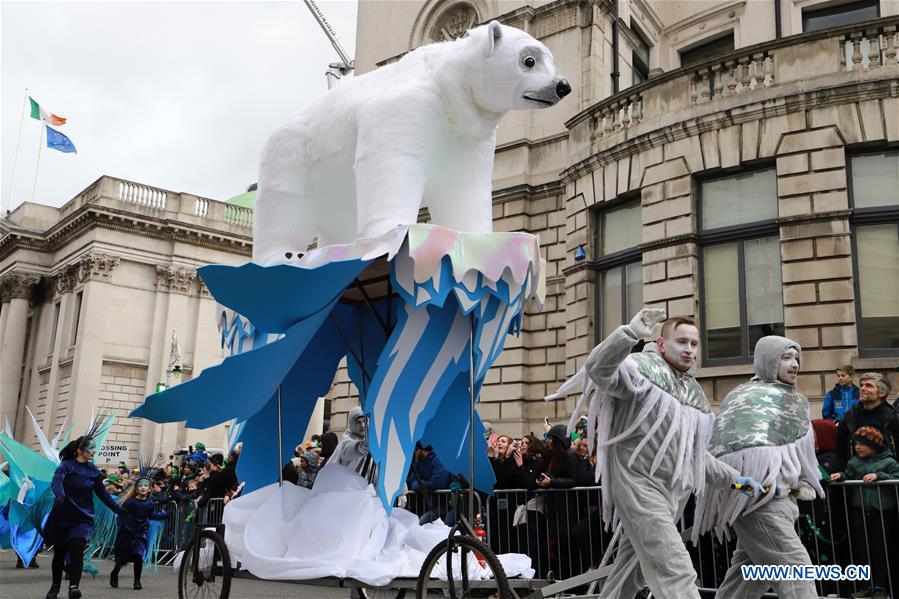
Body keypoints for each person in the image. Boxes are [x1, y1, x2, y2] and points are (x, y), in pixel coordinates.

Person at [573, 308, 761, 599]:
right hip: (638, 487)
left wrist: (738, 482)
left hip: (670, 497)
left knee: (630, 571)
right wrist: (628, 335)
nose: (689, 349)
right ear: (661, 344)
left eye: (694, 343)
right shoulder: (640, 371)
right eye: (681, 341)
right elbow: (599, 371)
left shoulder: (693, 393)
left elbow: (697, 458)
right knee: (676, 568)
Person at [696, 335, 824, 599]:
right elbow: (722, 448)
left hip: (780, 498)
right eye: (786, 358)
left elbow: (802, 451)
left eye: (796, 358)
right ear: (768, 361)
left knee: (748, 575)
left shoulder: (794, 400)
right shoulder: (742, 396)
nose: (794, 364)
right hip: (757, 497)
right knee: (795, 568)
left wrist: (802, 481)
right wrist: (748, 483)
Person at [44, 434, 127, 599]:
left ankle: (73, 587)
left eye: (94, 448)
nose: (94, 451)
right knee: (60, 553)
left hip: (83, 518)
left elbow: (103, 494)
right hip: (63, 516)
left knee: (77, 548)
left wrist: (119, 510)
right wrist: (60, 495)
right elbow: (57, 480)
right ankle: (55, 586)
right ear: (79, 450)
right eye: (91, 448)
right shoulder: (66, 465)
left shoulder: (93, 470)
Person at [831, 426, 899, 599]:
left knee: (880, 550)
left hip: (881, 513)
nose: (858, 447)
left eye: (862, 444)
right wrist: (841, 476)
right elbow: (848, 474)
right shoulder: (854, 462)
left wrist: (880, 476)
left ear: (874, 445)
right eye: (856, 444)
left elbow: (897, 475)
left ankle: (881, 587)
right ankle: (865, 585)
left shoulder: (889, 462)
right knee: (861, 550)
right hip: (860, 512)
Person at [109, 469, 169, 590]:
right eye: (140, 485)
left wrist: (164, 515)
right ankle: (115, 573)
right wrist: (124, 526)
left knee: (138, 555)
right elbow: (122, 515)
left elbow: (150, 515)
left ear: (150, 489)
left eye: (145, 486)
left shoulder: (149, 503)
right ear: (136, 489)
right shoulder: (130, 502)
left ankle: (137, 581)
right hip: (127, 533)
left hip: (140, 534)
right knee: (122, 558)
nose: (143, 488)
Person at [837, 373, 899, 465]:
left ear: (882, 393)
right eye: (861, 385)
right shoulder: (849, 417)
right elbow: (840, 449)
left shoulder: (893, 418)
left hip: (889, 471)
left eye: (869, 386)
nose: (862, 388)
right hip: (855, 471)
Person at [330, 406, 376, 481]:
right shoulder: (346, 441)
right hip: (351, 485)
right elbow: (347, 451)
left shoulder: (370, 438)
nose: (362, 425)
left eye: (364, 421)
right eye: (358, 422)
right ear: (351, 423)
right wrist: (359, 447)